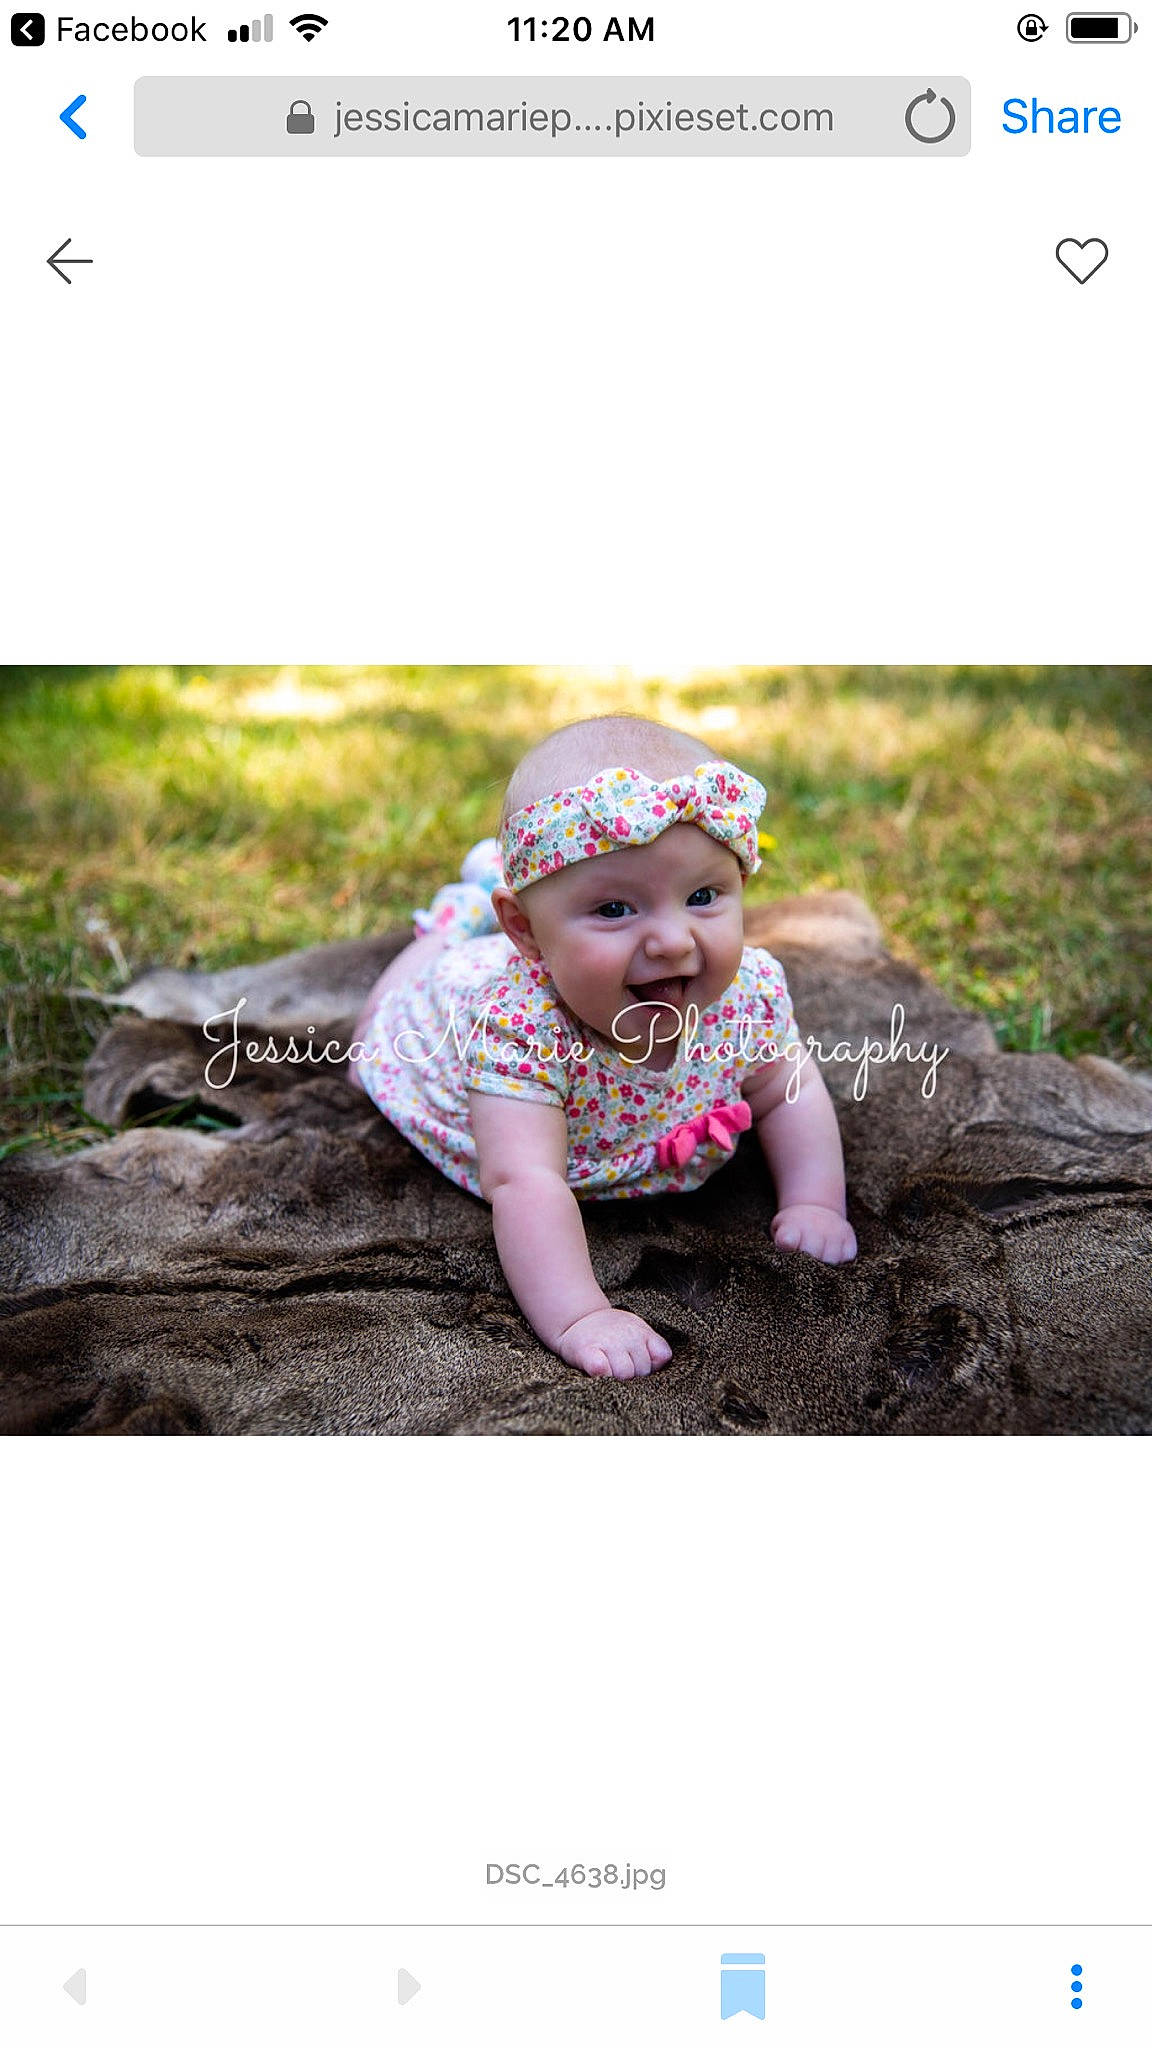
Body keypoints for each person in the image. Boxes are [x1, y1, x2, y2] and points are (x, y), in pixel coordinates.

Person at [347, 716, 857, 1379]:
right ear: (526, 932)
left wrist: (816, 1200)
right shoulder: (518, 1029)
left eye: (702, 896)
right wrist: (580, 1314)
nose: (672, 941)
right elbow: (523, 1178)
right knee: (370, 1054)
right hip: (441, 1019)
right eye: (615, 909)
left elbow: (789, 1088)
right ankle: (450, 925)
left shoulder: (747, 994)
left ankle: (494, 902)